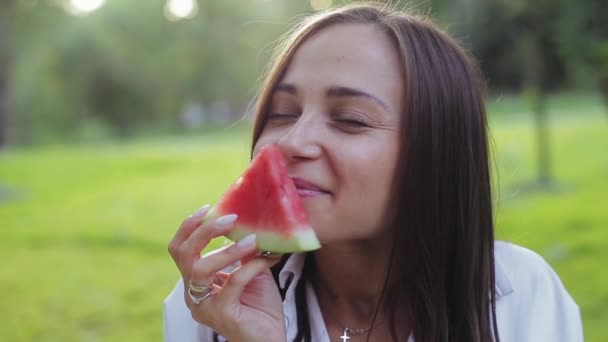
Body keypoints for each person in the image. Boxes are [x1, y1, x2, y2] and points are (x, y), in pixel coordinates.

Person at [163, 3, 583, 342]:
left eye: (350, 119)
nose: (290, 141)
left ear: (435, 150)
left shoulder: (524, 297)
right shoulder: (210, 309)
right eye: (281, 113)